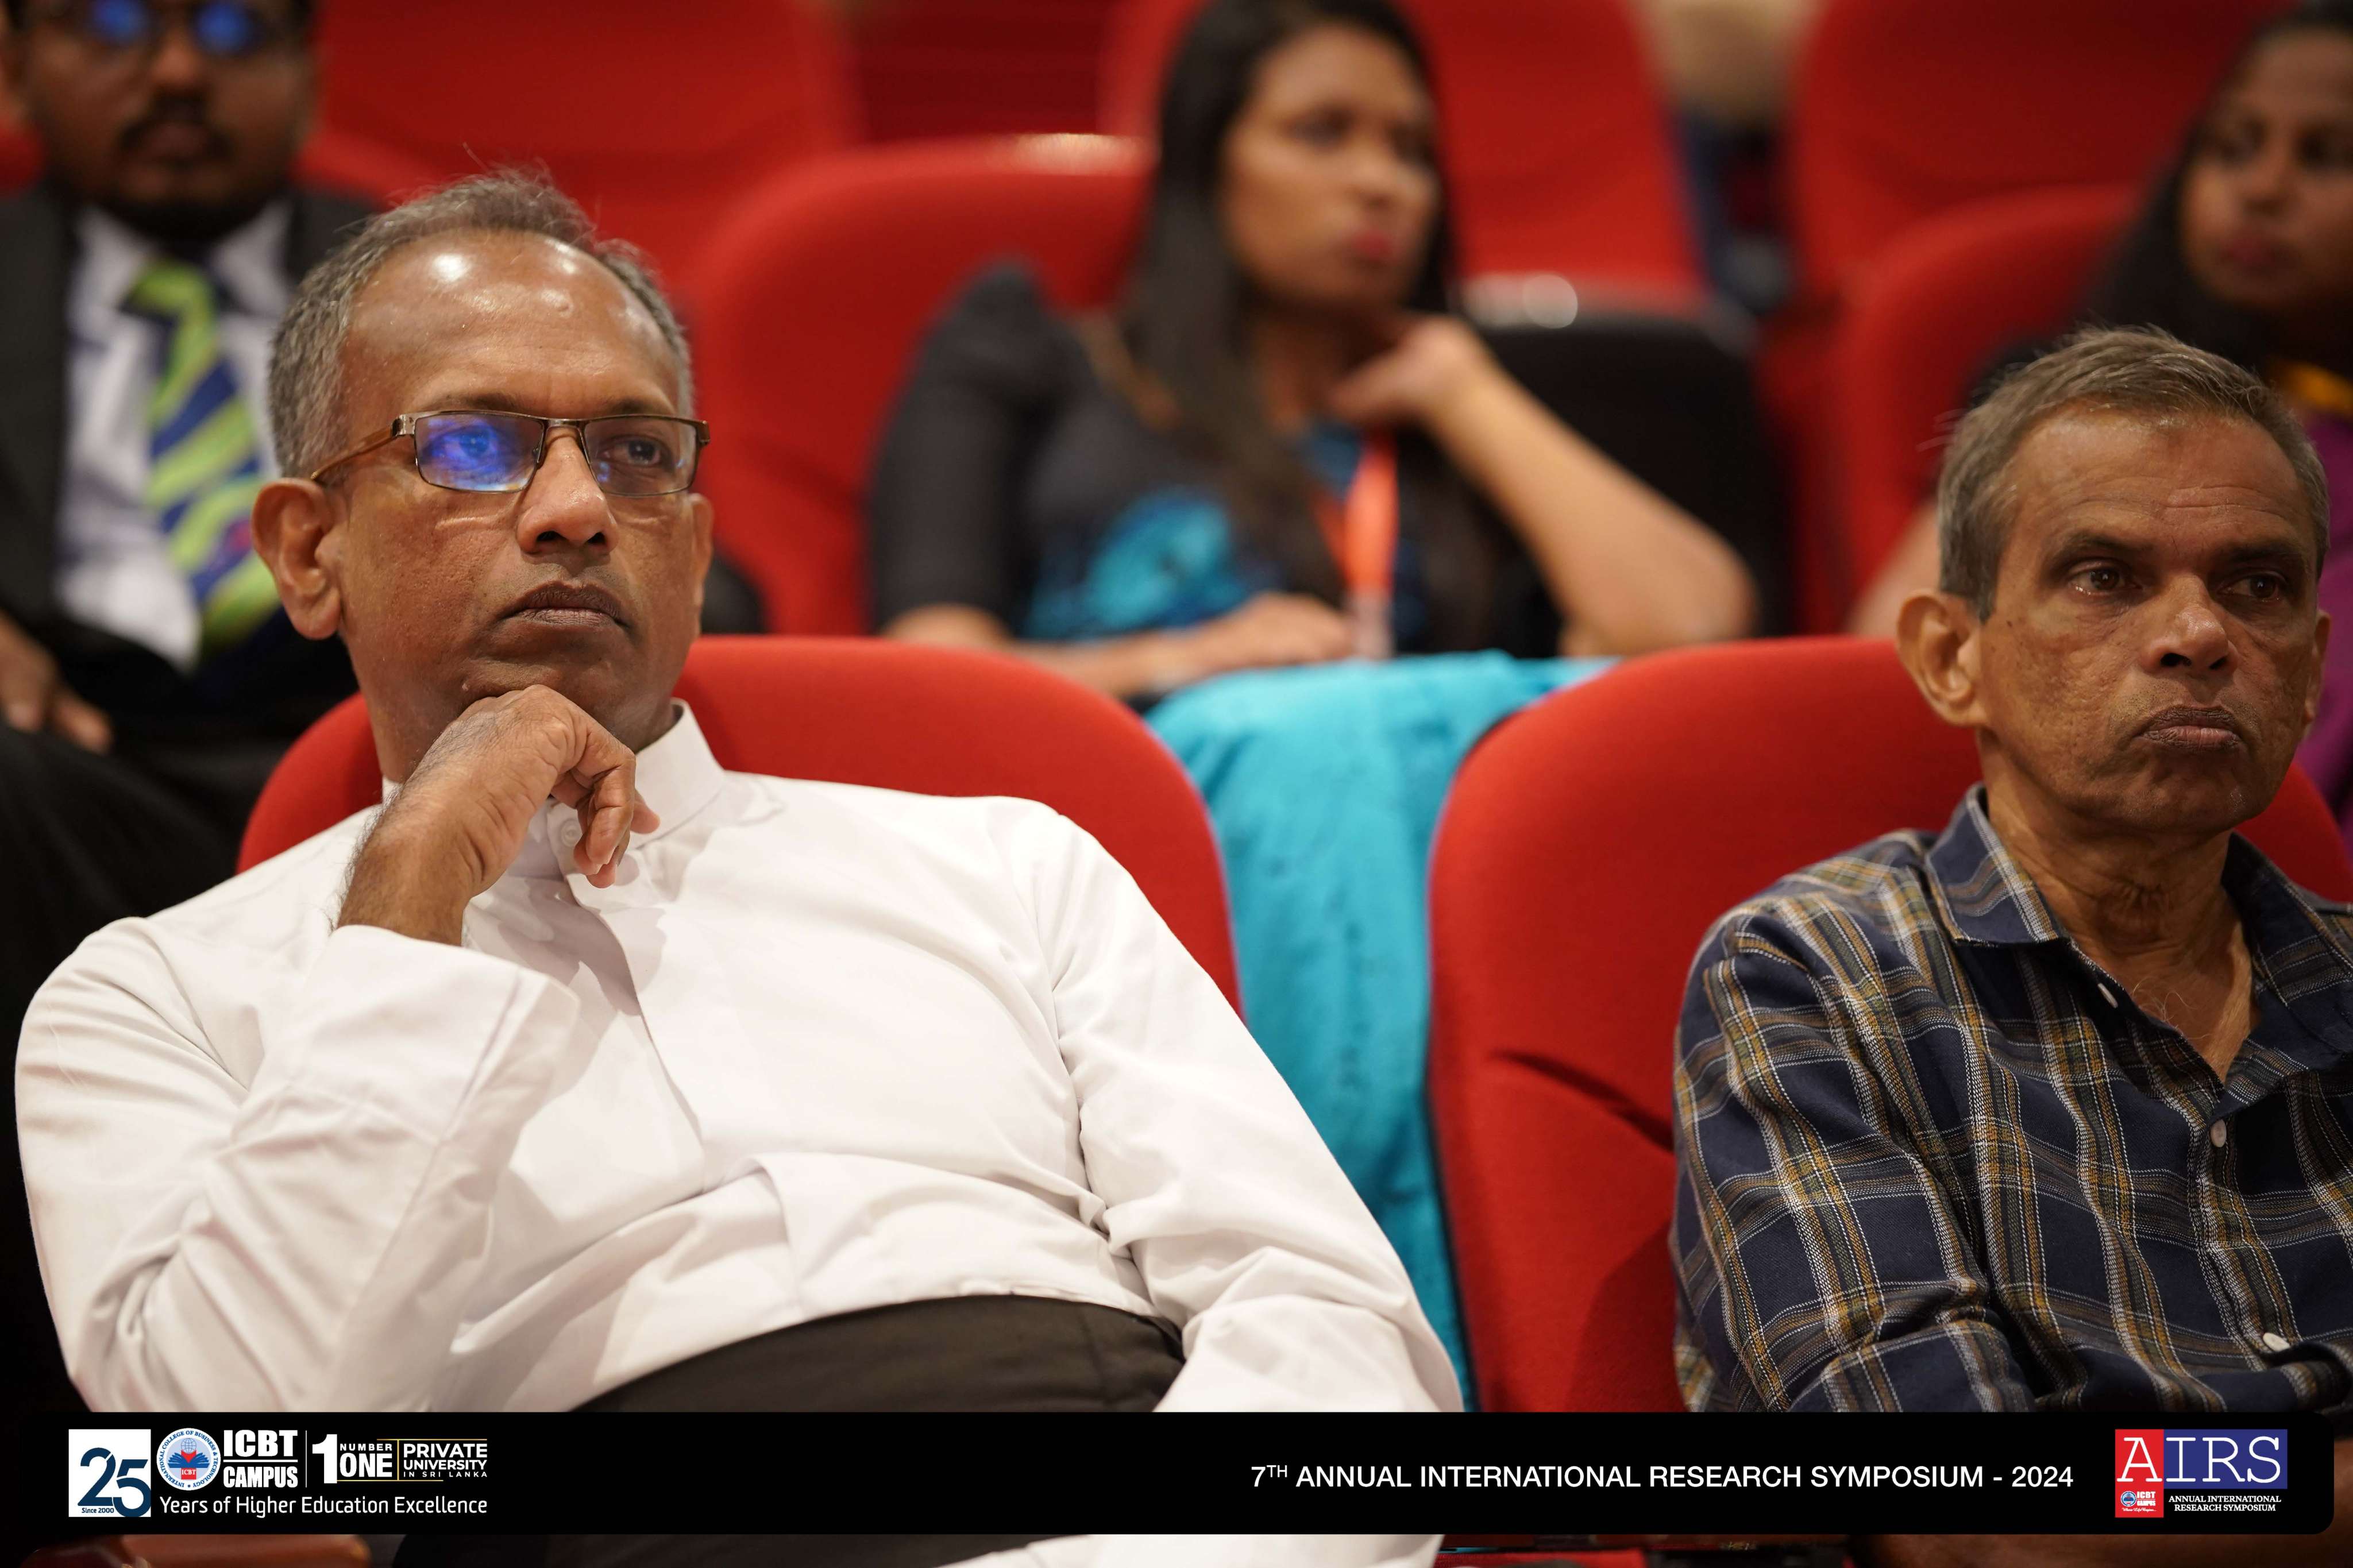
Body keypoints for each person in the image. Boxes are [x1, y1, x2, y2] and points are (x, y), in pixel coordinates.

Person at [14, 161, 1455, 1504]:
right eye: (473, 445)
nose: (576, 509)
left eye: (635, 453)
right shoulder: (150, 1000)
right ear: (307, 551)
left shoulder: (1013, 867)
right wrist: (404, 916)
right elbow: (224, 1472)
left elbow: (1332, 1328)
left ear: (696, 553)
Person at [1676, 330, 2353, 1561]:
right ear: (1953, 657)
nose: (2197, 633)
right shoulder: (1812, 975)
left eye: (2254, 584)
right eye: (2105, 577)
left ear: (2309, 673)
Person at [869, 0, 1757, 702]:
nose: (1382, 183)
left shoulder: (1452, 406)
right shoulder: (1030, 353)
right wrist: (1185, 658)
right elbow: (932, 677)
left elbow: (1690, 632)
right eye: (1322, 132)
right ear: (1206, 163)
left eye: (1411, 149)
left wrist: (1463, 392)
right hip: (1103, 820)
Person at [1846, 1, 2353, 849]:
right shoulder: (2051, 415)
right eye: (2233, 146)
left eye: (2328, 156)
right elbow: (1884, 682)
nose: (2262, 188)